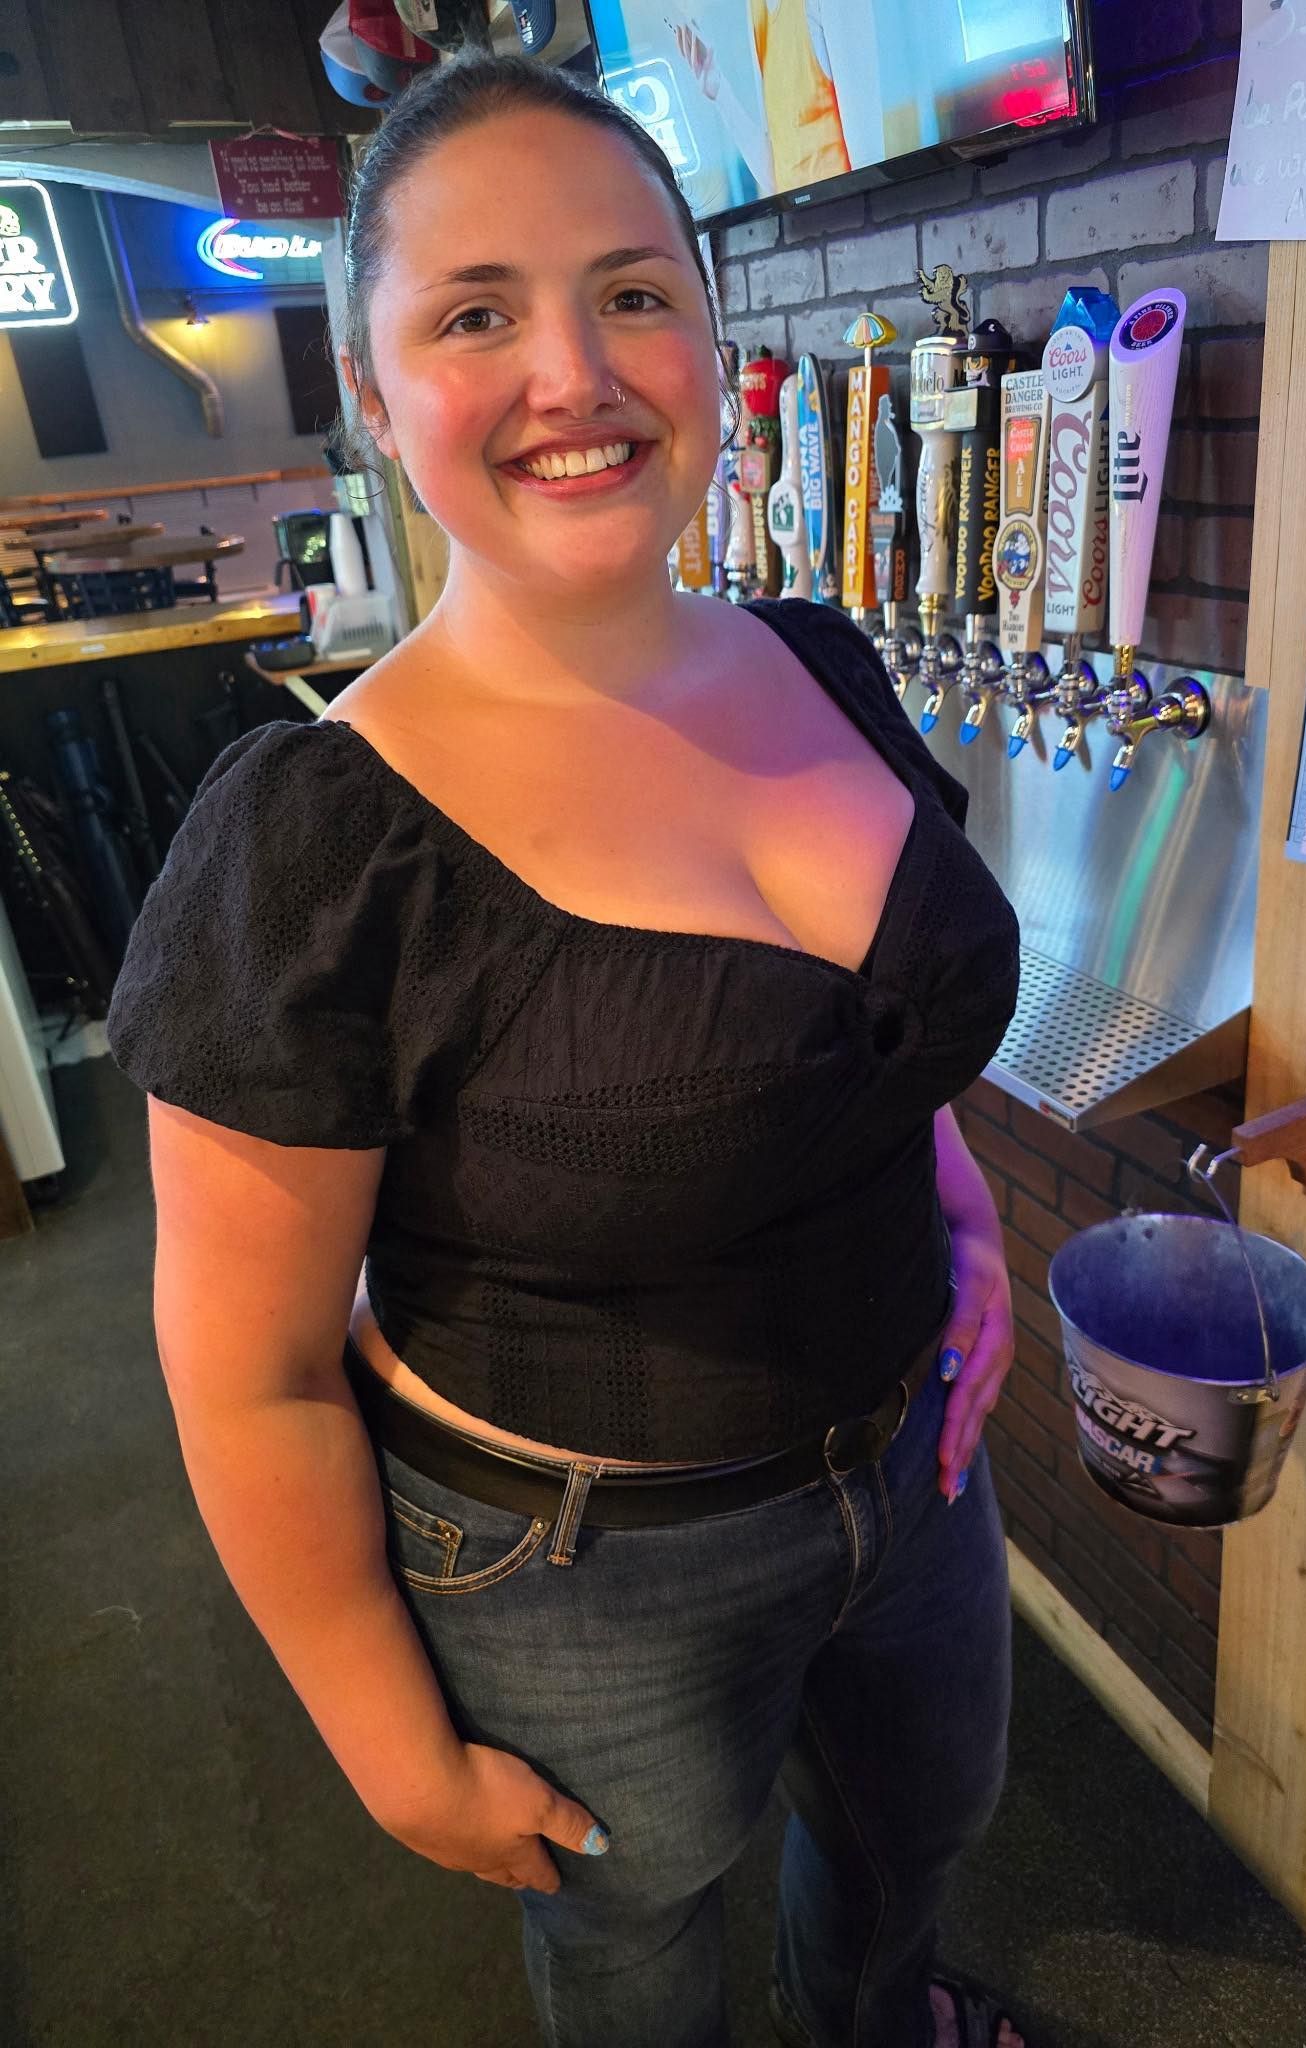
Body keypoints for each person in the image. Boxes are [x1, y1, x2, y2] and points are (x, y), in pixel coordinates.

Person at [105, 46, 1028, 2048]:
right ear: (374, 395)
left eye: (629, 290)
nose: (573, 372)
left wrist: (961, 1214)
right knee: (635, 1960)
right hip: (585, 1562)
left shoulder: (822, 659)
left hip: (921, 1461)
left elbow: (876, 1038)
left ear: (705, 325)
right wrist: (388, 1744)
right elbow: (251, 1375)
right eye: (474, 314)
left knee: (917, 1846)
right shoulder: (313, 843)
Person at [673, 0, 884, 196]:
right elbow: (779, 181)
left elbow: (869, 165)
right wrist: (721, 93)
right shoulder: (755, 7)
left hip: (849, 211)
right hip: (802, 220)